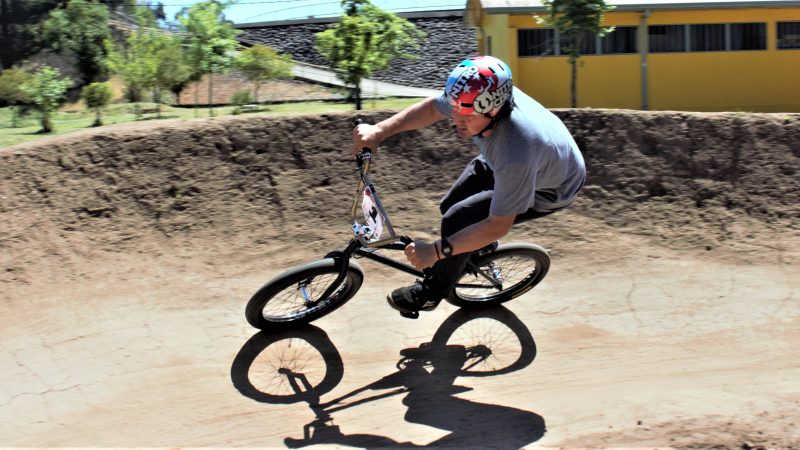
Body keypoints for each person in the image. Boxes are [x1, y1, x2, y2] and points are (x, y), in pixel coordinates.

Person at [353, 55, 586, 315]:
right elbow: (431, 109)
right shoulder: (474, 96)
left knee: (458, 221)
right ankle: (474, 250)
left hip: (550, 186)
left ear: (494, 110)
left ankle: (431, 294)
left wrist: (434, 251)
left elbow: (498, 225)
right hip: (522, 160)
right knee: (450, 205)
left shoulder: (515, 151)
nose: (457, 121)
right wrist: (378, 131)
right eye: (455, 112)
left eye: (468, 116)